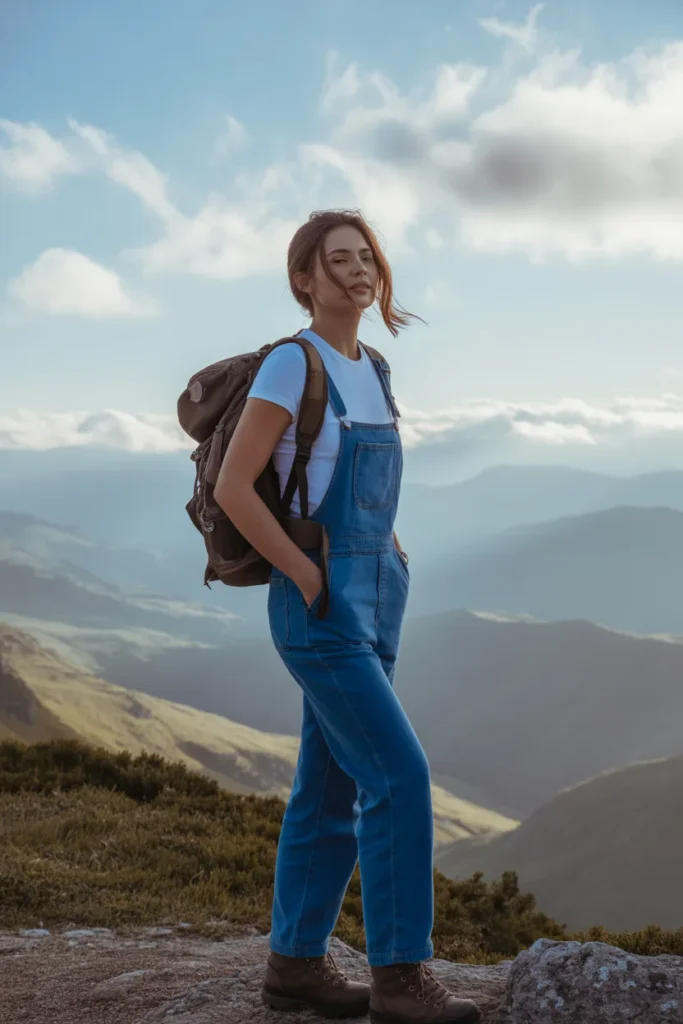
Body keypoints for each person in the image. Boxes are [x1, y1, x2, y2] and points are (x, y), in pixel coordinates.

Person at [215, 209, 481, 1024]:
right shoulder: (291, 367)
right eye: (338, 260)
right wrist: (303, 575)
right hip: (319, 602)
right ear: (304, 279)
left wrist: (391, 558)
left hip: (376, 592)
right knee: (398, 777)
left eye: (366, 257)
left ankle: (294, 966)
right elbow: (233, 486)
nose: (359, 271)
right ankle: (400, 978)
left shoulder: (375, 368)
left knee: (325, 790)